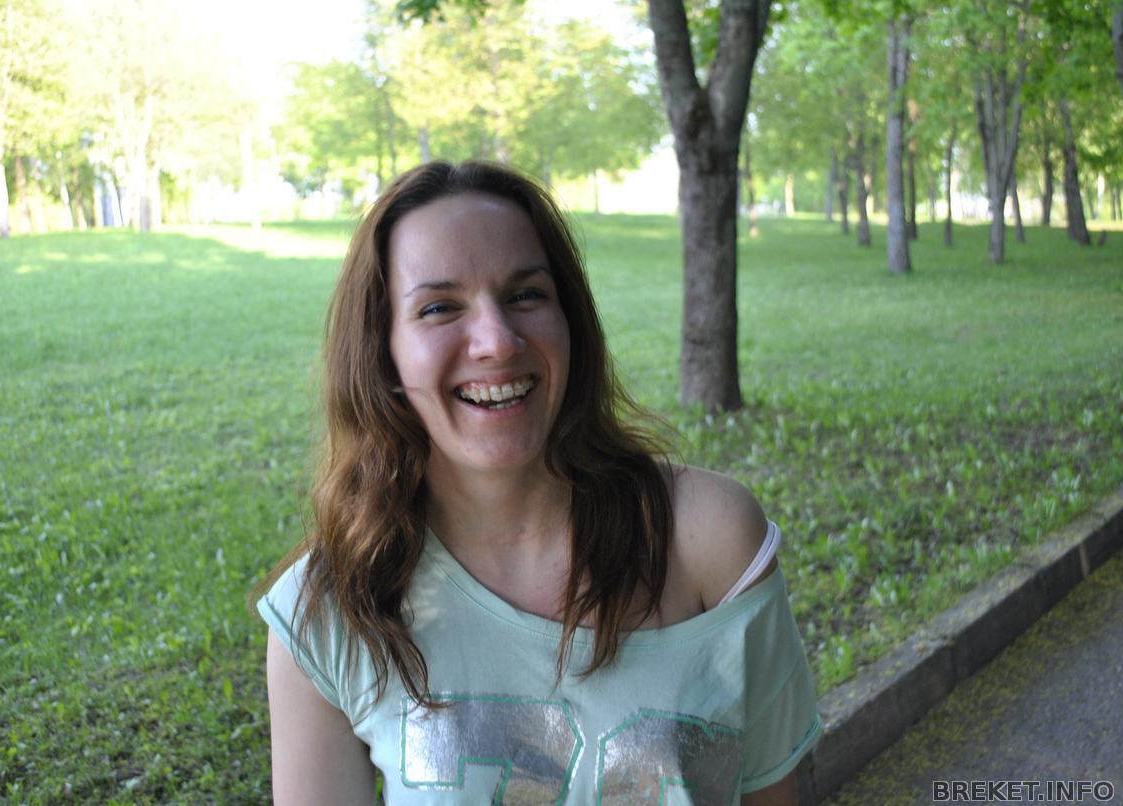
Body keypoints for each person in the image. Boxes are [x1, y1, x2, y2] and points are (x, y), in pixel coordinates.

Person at [253, 160, 820, 805]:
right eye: (439, 308)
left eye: (526, 295)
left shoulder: (708, 540)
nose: (497, 341)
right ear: (382, 354)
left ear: (569, 319)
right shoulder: (329, 611)